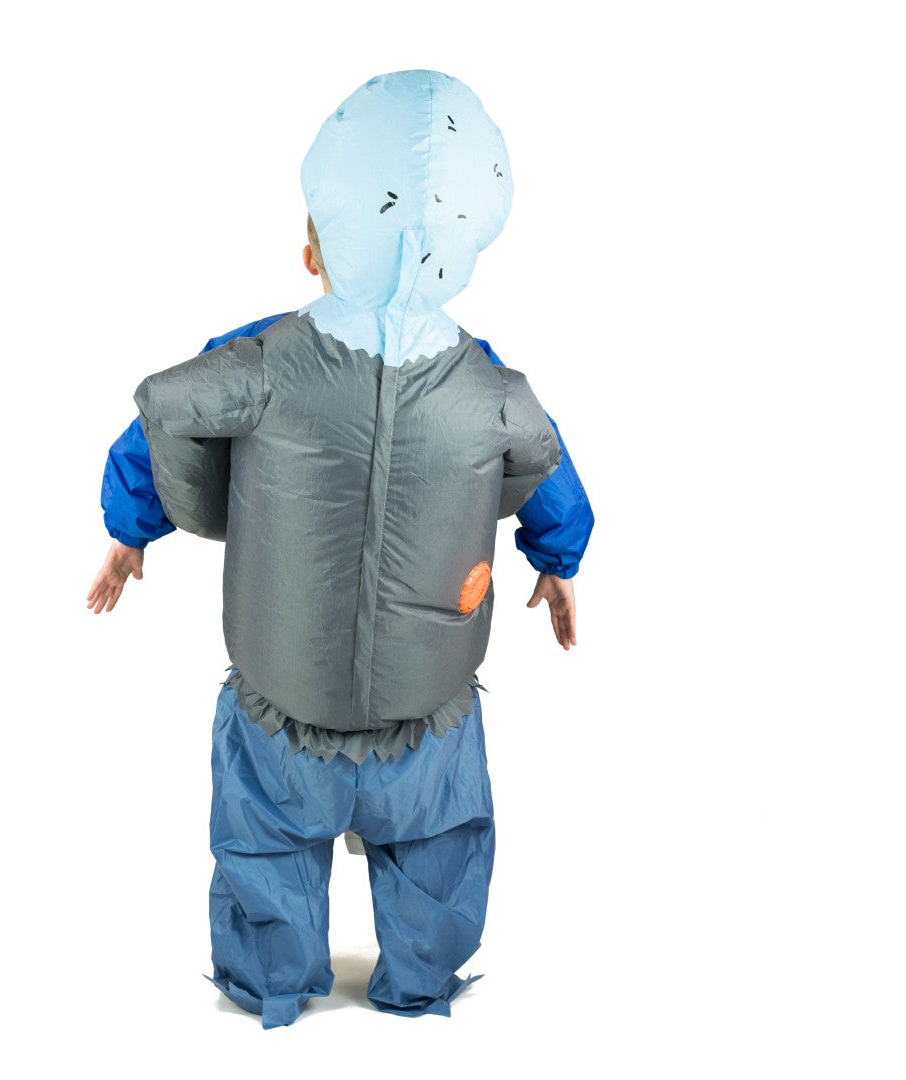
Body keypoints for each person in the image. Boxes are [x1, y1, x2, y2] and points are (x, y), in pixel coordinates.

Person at [86, 70, 594, 1028]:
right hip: (428, 710)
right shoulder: (492, 386)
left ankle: (272, 982)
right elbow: (548, 462)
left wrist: (129, 528)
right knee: (440, 840)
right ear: (464, 249)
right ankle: (420, 980)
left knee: (264, 841)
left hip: (285, 698)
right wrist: (557, 561)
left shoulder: (261, 357)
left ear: (316, 248)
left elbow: (165, 414)